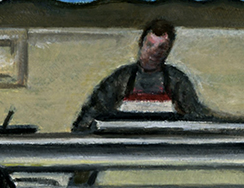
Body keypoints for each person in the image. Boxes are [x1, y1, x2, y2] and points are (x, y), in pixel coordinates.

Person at [72, 19, 209, 132]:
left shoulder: (177, 81)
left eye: (161, 48)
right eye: (150, 45)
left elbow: (196, 117)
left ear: (168, 50)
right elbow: (90, 114)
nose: (154, 53)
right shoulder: (121, 79)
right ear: (141, 44)